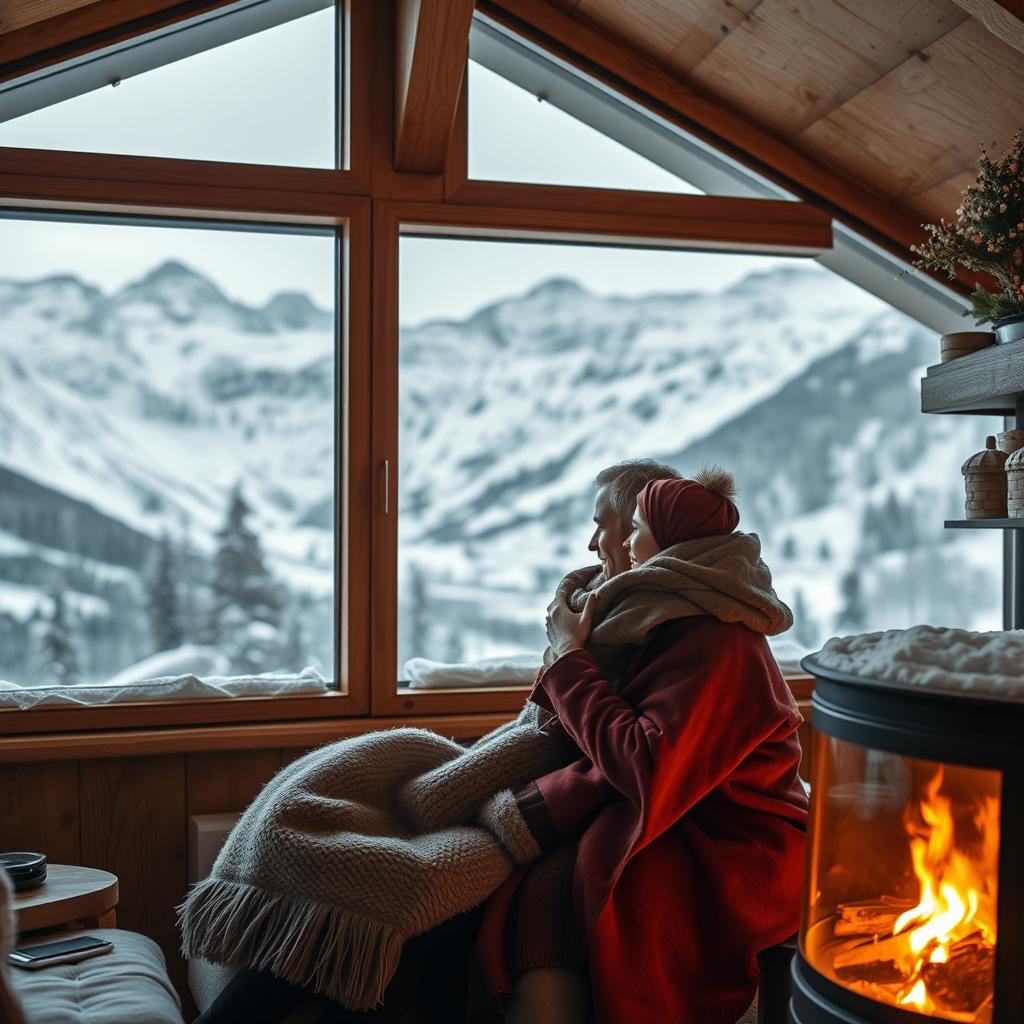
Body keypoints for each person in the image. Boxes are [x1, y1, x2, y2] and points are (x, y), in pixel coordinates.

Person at [473, 466, 807, 1024]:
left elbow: (646, 765)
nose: (604, 543)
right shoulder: (643, 622)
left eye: (623, 527)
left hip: (730, 838)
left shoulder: (714, 639)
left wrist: (570, 661)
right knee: (537, 896)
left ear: (666, 541)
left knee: (584, 898)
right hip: (680, 810)